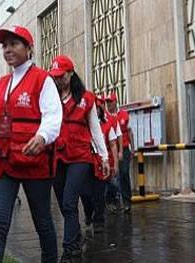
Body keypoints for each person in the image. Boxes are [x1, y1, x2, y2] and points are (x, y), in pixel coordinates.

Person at [0, 25, 62, 263]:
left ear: (29, 48)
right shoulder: (2, 83)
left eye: (14, 44)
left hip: (33, 160)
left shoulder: (42, 79)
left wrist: (42, 136)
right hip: (4, 160)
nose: (7, 50)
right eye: (5, 46)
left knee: (42, 221)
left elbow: (53, 115)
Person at [49, 55, 109, 262]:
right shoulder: (50, 97)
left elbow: (95, 129)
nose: (58, 80)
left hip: (80, 156)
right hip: (57, 156)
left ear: (71, 73)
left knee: (69, 201)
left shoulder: (86, 98)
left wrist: (104, 157)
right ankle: (74, 235)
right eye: (55, 76)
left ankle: (70, 249)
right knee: (64, 203)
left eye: (61, 76)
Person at [82, 96, 118, 235]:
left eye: (97, 109)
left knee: (98, 193)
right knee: (84, 193)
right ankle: (88, 213)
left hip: (99, 162)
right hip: (84, 161)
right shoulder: (82, 125)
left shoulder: (106, 125)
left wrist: (109, 161)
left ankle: (99, 221)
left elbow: (113, 143)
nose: (95, 111)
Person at [105, 92, 133, 212]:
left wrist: (133, 148)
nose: (109, 104)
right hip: (110, 150)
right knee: (111, 177)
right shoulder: (105, 117)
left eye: (111, 102)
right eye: (107, 102)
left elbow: (130, 132)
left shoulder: (124, 115)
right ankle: (111, 201)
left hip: (124, 149)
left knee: (124, 173)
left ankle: (127, 201)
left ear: (115, 102)